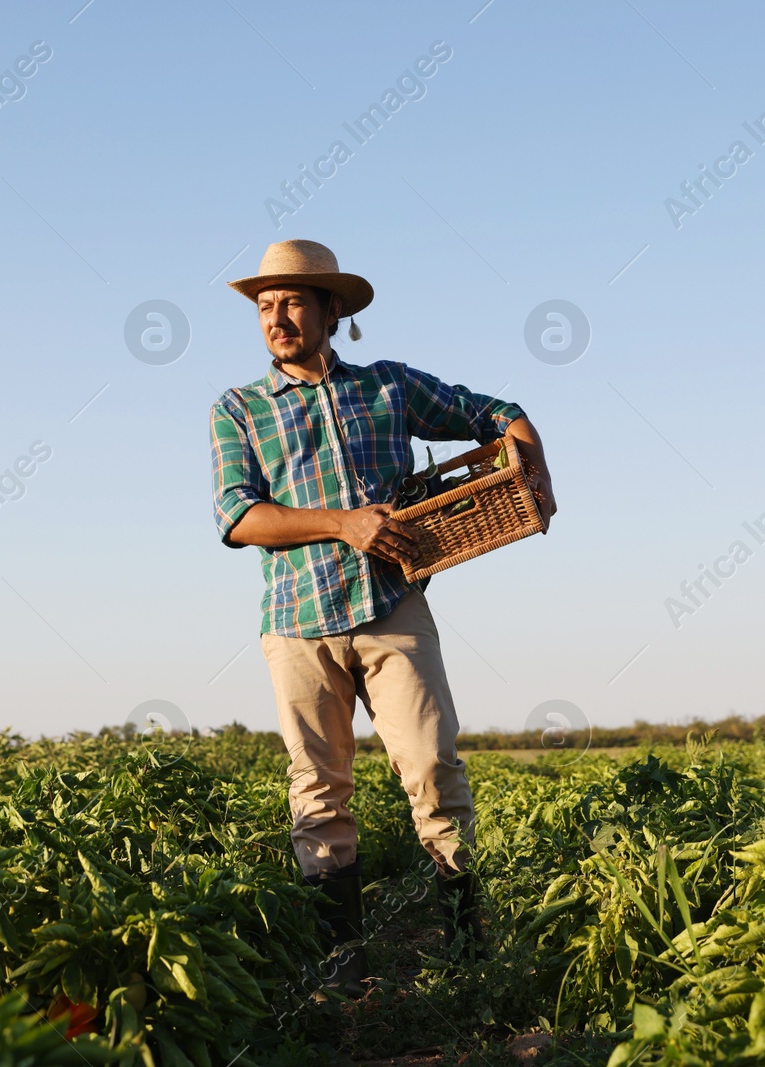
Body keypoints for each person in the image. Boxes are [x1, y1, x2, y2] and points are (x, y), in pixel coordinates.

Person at [208, 239, 556, 996]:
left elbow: (494, 412)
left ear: (333, 310)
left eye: (294, 301)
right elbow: (239, 517)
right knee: (319, 791)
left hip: (392, 606)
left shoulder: (389, 387)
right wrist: (343, 522)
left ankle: (469, 953)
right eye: (266, 306)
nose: (277, 317)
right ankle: (343, 976)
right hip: (296, 619)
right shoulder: (238, 409)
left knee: (434, 769)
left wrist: (535, 463)